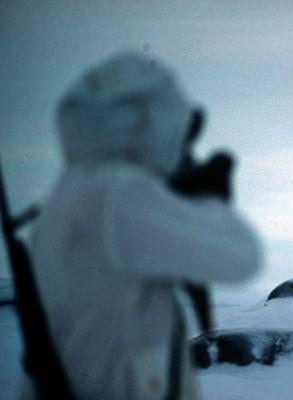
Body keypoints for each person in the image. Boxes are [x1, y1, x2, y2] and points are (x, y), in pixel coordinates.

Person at [26, 52, 262, 399]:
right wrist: (210, 197)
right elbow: (241, 257)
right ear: (149, 120)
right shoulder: (119, 192)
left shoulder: (68, 193)